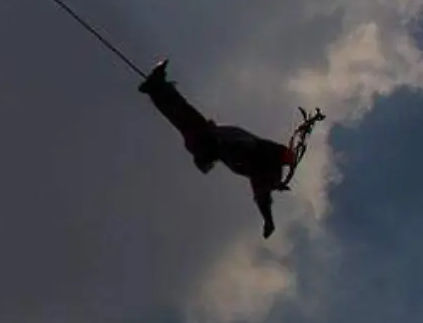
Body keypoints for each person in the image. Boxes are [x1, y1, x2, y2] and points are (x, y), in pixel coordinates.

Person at [138, 59, 323, 238]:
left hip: (215, 144)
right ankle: (156, 88)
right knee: (184, 117)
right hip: (218, 141)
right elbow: (262, 187)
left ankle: (157, 88)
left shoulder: (265, 171)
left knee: (184, 117)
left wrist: (268, 220)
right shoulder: (266, 156)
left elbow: (262, 197)